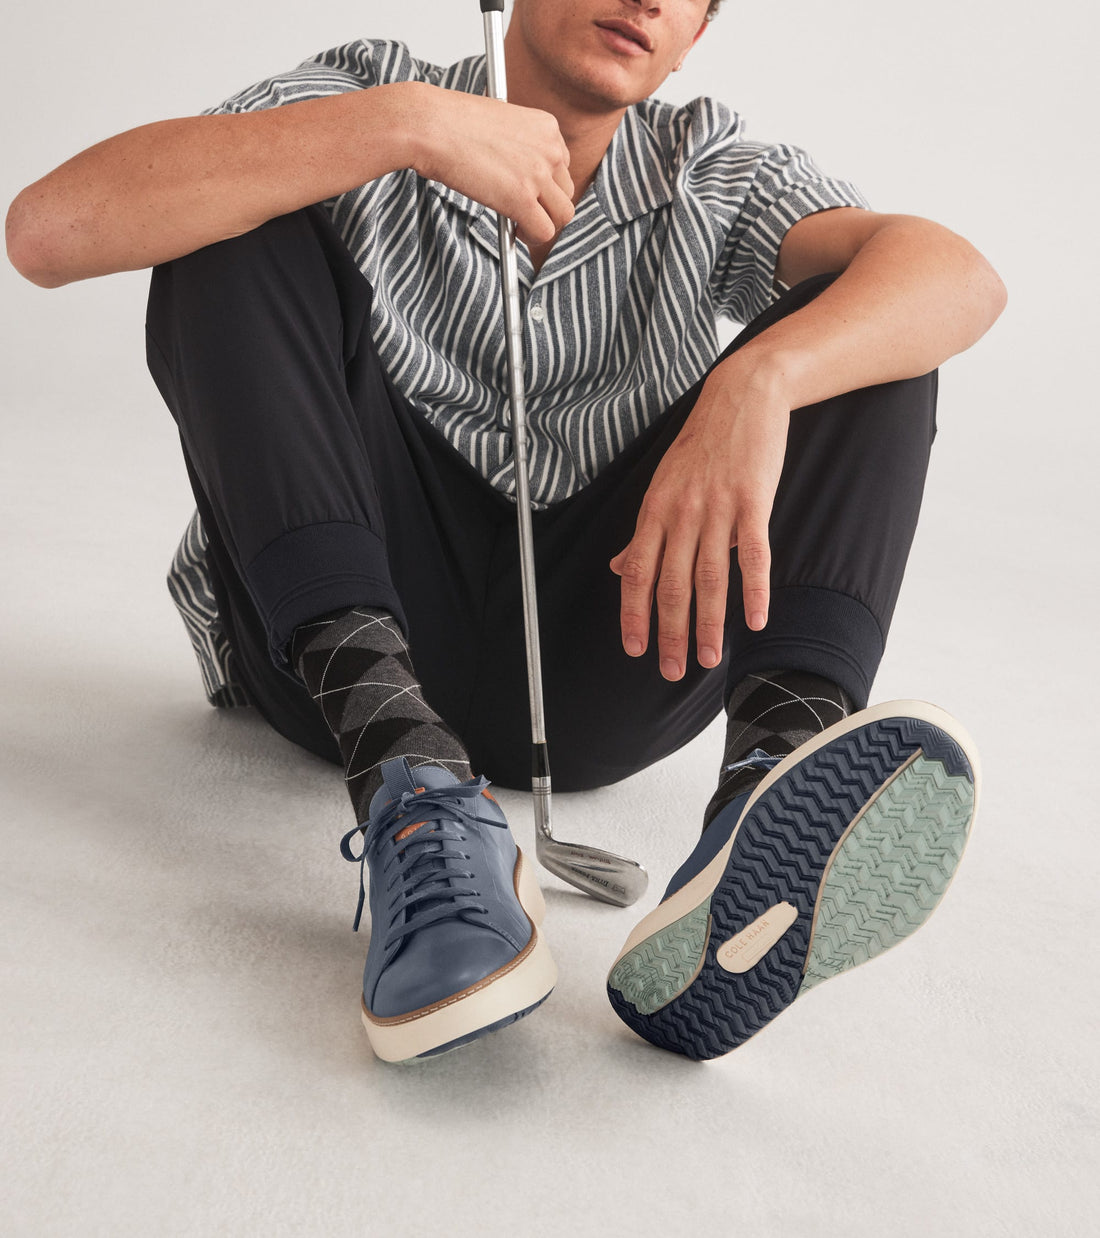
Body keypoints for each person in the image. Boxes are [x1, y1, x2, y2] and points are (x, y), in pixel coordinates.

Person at [6, 0, 1005, 1064]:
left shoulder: (707, 165)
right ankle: (410, 785)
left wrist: (758, 382)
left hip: (607, 651)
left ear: (696, 36)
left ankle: (775, 780)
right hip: (330, 646)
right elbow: (48, 231)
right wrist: (404, 127)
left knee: (868, 320)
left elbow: (961, 277)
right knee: (225, 220)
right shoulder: (376, 92)